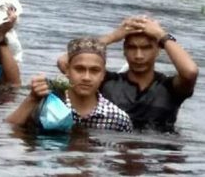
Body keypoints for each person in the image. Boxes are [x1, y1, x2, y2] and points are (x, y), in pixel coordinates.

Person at [58, 16, 199, 132]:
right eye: (132, 48)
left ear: (158, 50)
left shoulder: (170, 88)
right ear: (124, 50)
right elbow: (64, 62)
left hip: (156, 155)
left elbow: (190, 72)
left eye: (146, 48)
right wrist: (114, 36)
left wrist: (161, 35)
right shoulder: (106, 81)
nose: (138, 55)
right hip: (114, 151)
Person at [6, 37, 133, 132]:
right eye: (79, 69)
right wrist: (31, 99)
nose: (86, 77)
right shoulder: (46, 103)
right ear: (67, 70)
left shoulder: (118, 119)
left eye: (94, 71)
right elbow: (8, 131)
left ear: (103, 75)